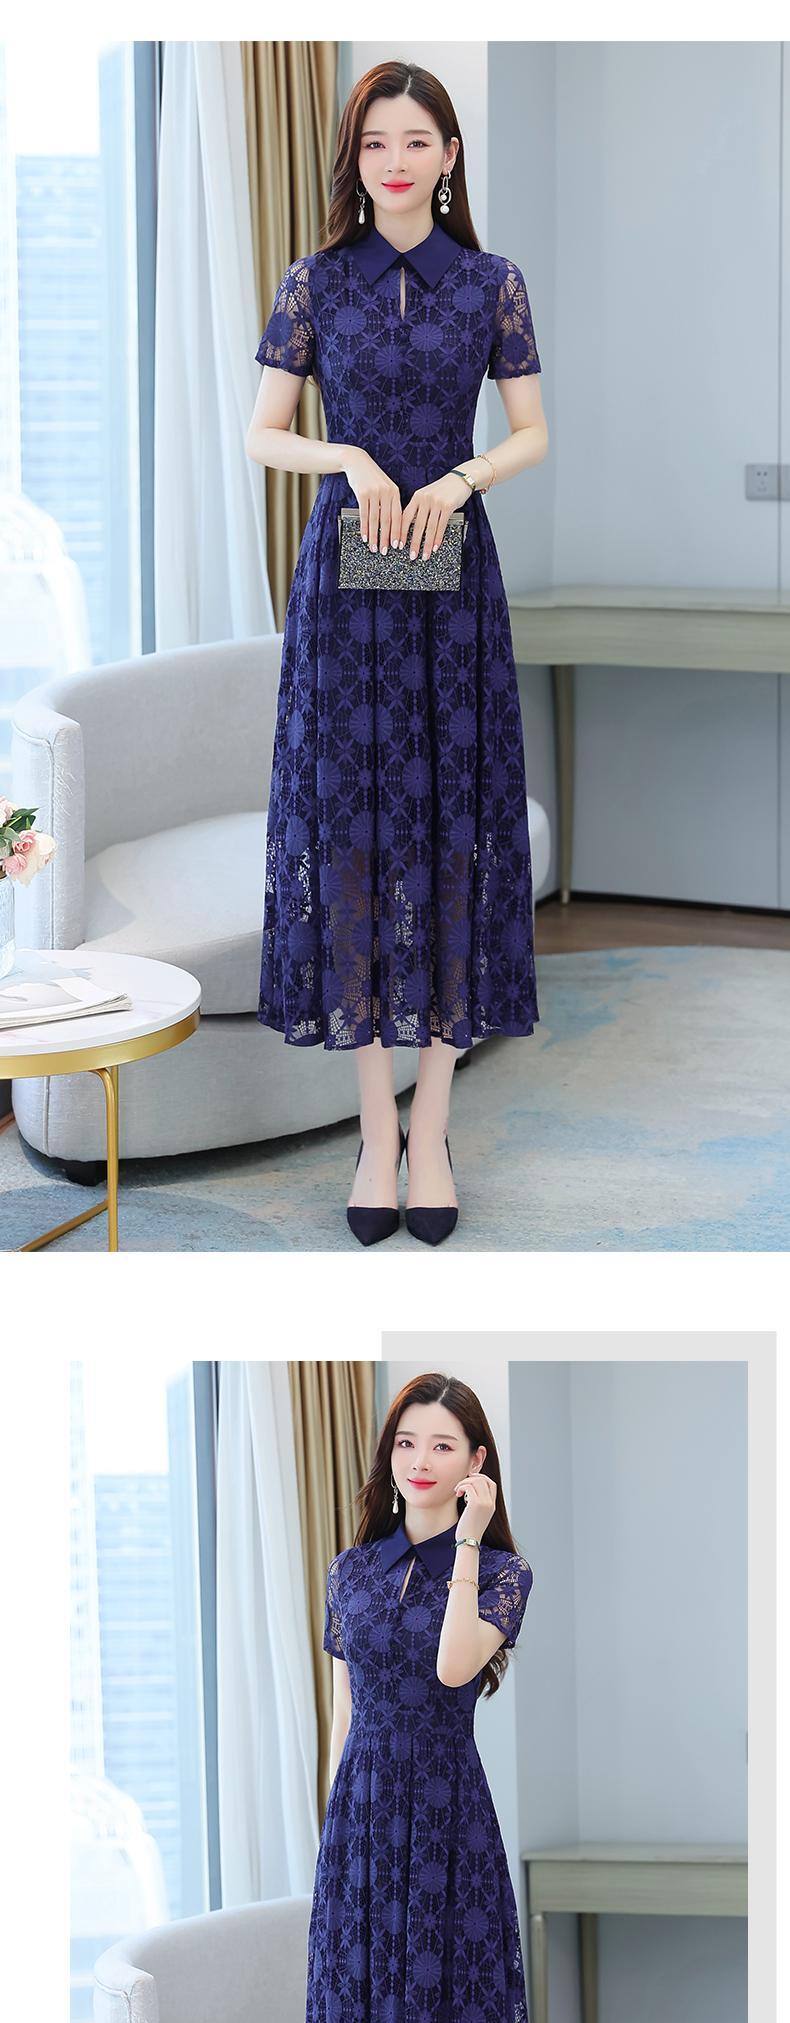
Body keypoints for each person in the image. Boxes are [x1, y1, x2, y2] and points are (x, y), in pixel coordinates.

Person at [245, 62, 548, 1245]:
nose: (396, 161)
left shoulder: (491, 283)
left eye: (417, 140)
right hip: (345, 590)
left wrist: (462, 476)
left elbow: (531, 432)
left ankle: (435, 1124)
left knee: (451, 835)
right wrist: (349, 457)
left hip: (452, 579)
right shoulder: (314, 282)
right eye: (376, 142)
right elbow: (263, 434)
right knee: (356, 841)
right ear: (355, 160)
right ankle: (377, 1130)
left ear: (449, 156)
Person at [303, 1373, 550, 2023]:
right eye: (407, 1441)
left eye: (443, 1444)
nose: (419, 1460)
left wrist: (469, 1541)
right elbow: (343, 1715)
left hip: (451, 1843)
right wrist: (331, 1847)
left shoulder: (500, 1574)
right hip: (362, 1846)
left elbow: (451, 1670)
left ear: (475, 1463)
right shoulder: (350, 1570)